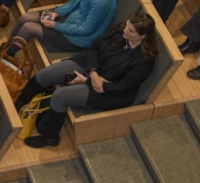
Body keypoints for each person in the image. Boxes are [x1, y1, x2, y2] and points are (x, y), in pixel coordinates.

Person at [15, 11, 158, 147]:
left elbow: (121, 87)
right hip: (92, 66)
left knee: (60, 96)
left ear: (143, 36)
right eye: (127, 25)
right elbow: (94, 46)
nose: (125, 30)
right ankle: (21, 103)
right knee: (44, 75)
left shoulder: (144, 60)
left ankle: (51, 137)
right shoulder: (120, 29)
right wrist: (93, 73)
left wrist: (88, 80)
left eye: (131, 31)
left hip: (110, 92)